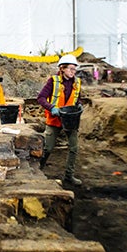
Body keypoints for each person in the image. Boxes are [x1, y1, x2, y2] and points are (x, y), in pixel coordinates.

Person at [37, 54, 83, 186]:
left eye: (75, 69)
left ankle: (69, 175)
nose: (73, 72)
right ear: (62, 68)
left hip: (70, 119)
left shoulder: (77, 82)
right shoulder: (53, 81)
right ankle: (37, 171)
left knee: (74, 148)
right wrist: (51, 108)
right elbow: (41, 98)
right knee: (48, 148)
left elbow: (77, 98)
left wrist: (79, 104)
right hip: (55, 118)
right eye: (71, 69)